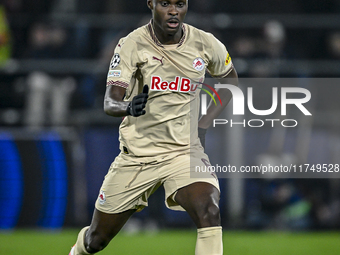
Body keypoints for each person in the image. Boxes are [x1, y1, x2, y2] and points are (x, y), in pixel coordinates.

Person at [69, 0, 238, 254]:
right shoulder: (131, 44)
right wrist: (128, 107)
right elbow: (110, 102)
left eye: (180, 4)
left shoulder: (206, 43)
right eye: (165, 4)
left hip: (184, 153)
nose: (173, 11)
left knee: (209, 211)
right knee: (97, 240)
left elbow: (230, 82)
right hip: (138, 156)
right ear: (151, 4)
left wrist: (203, 125)